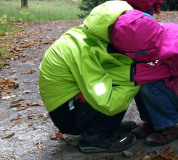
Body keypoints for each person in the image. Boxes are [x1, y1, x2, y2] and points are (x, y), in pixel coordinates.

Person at [38, 1, 140, 153]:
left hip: (69, 104)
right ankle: (95, 137)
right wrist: (138, 79)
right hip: (68, 115)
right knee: (120, 86)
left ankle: (107, 126)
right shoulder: (82, 49)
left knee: (119, 78)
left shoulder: (89, 34)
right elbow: (105, 99)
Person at [110, 9, 178, 146]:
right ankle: (154, 121)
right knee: (139, 79)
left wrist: (160, 75)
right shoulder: (150, 35)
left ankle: (175, 125)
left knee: (149, 84)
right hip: (174, 88)